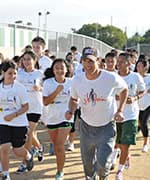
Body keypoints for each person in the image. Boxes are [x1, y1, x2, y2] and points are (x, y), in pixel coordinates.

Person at [65, 47, 128, 180]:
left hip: (106, 126)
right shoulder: (77, 80)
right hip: (86, 127)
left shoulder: (110, 78)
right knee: (87, 164)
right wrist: (70, 110)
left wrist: (120, 110)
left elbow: (124, 89)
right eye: (85, 61)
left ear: (99, 61)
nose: (88, 64)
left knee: (103, 163)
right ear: (81, 61)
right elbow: (73, 98)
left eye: (91, 61)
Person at [0, 60, 34, 180]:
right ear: (3, 73)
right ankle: (5, 174)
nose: (13, 76)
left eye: (15, 73)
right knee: (4, 147)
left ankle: (29, 156)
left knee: (17, 150)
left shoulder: (20, 88)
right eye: (10, 73)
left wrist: (13, 115)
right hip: (2, 123)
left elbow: (26, 106)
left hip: (19, 123)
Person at [115, 53, 145, 180]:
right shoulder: (113, 77)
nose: (119, 64)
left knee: (125, 143)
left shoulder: (135, 76)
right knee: (118, 142)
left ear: (128, 63)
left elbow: (142, 91)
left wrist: (135, 98)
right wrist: (116, 97)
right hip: (115, 114)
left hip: (131, 115)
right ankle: (126, 156)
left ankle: (119, 171)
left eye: (122, 61)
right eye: (118, 61)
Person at [43, 58, 73, 180]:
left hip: (66, 117)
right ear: (53, 70)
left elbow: (75, 99)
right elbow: (45, 102)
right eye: (57, 68)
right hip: (52, 117)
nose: (59, 70)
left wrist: (71, 111)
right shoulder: (48, 83)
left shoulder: (72, 82)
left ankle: (60, 171)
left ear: (66, 69)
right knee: (56, 146)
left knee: (60, 145)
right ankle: (59, 166)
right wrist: (56, 91)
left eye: (62, 67)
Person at [16, 51, 44, 173]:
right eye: (24, 59)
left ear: (34, 60)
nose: (26, 61)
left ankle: (24, 162)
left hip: (35, 107)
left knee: (28, 134)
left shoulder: (39, 73)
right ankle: (39, 147)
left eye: (29, 59)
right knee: (30, 134)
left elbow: (44, 87)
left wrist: (40, 88)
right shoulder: (19, 73)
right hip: (22, 107)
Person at [136, 59, 150, 152]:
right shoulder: (135, 77)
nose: (138, 68)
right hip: (138, 105)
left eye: (140, 66)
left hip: (148, 104)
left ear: (145, 67)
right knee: (140, 123)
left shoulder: (149, 78)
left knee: (144, 122)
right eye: (137, 66)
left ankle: (146, 143)